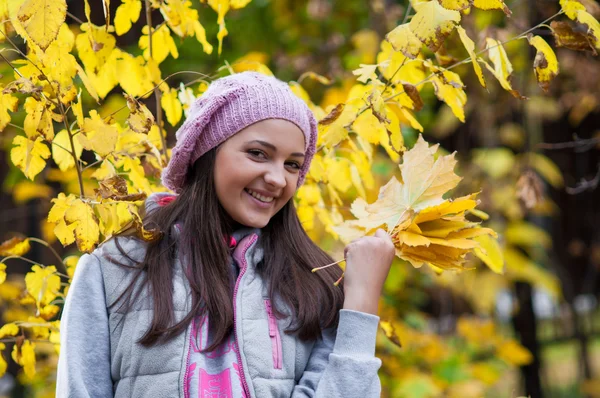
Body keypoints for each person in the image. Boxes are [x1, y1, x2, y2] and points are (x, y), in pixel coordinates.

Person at [56, 71, 395, 398]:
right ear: (207, 152)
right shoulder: (114, 268)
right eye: (258, 153)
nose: (278, 178)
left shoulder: (312, 285)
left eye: (292, 164)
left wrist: (361, 303)